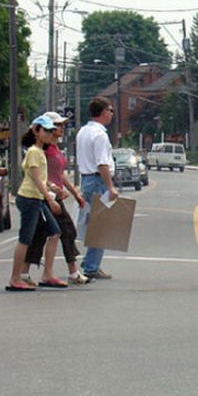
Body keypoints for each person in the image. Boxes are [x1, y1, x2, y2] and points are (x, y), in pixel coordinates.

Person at [22, 112, 89, 285]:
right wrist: (52, 192)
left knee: (42, 234)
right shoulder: (44, 149)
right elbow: (39, 175)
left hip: (52, 195)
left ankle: (25, 272)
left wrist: (74, 193)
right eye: (58, 125)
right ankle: (71, 272)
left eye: (63, 125)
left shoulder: (54, 147)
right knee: (65, 230)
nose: (61, 128)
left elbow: (61, 175)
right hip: (48, 196)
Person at [6, 115, 64, 291]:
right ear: (35, 131)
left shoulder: (39, 151)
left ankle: (47, 274)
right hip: (30, 198)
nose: (48, 134)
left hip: (36, 198)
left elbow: (41, 178)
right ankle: (15, 278)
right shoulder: (33, 152)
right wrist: (50, 199)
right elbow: (36, 180)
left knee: (54, 232)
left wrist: (53, 188)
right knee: (25, 238)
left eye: (50, 130)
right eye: (45, 130)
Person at [76, 97, 119, 280]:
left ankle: (90, 261)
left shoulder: (83, 131)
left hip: (86, 178)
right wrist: (110, 187)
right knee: (100, 226)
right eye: (110, 110)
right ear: (102, 112)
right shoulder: (100, 135)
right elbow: (102, 164)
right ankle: (92, 266)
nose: (112, 114)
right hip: (98, 180)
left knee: (92, 224)